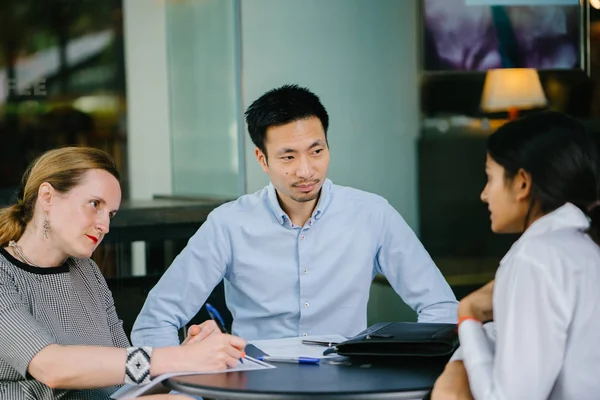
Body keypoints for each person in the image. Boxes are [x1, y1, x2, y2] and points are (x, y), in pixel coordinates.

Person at [131, 84, 458, 348]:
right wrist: (176, 388)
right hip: (255, 384)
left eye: (317, 151)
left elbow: (441, 307)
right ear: (262, 159)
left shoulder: (372, 214)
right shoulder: (228, 224)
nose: (306, 170)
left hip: (347, 382)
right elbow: (155, 320)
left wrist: (415, 363)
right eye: (288, 156)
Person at [0, 147, 246, 400]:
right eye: (95, 204)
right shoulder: (3, 272)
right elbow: (51, 367)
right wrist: (178, 358)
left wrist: (188, 359)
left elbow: (127, 383)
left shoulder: (86, 272)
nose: (104, 225)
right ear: (47, 196)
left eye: (111, 214)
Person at [432, 111, 600, 399]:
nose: (484, 194)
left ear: (522, 182)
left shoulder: (536, 258)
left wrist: (468, 316)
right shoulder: (584, 243)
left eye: (490, 178)